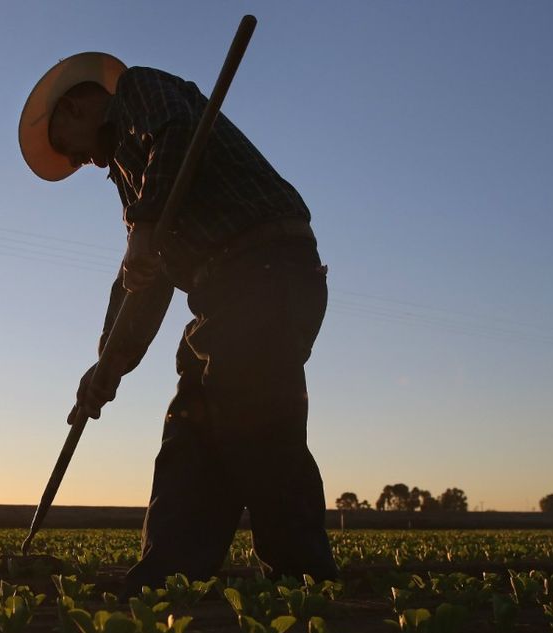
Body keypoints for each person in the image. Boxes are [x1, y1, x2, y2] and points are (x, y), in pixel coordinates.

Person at [18, 52, 340, 596]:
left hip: (270, 268)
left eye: (71, 150)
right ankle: (168, 575)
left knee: (253, 408)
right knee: (193, 422)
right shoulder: (131, 176)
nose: (83, 163)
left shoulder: (143, 94)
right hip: (224, 295)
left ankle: (304, 577)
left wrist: (143, 230)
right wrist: (108, 365)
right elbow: (143, 279)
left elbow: (176, 131)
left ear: (76, 108)